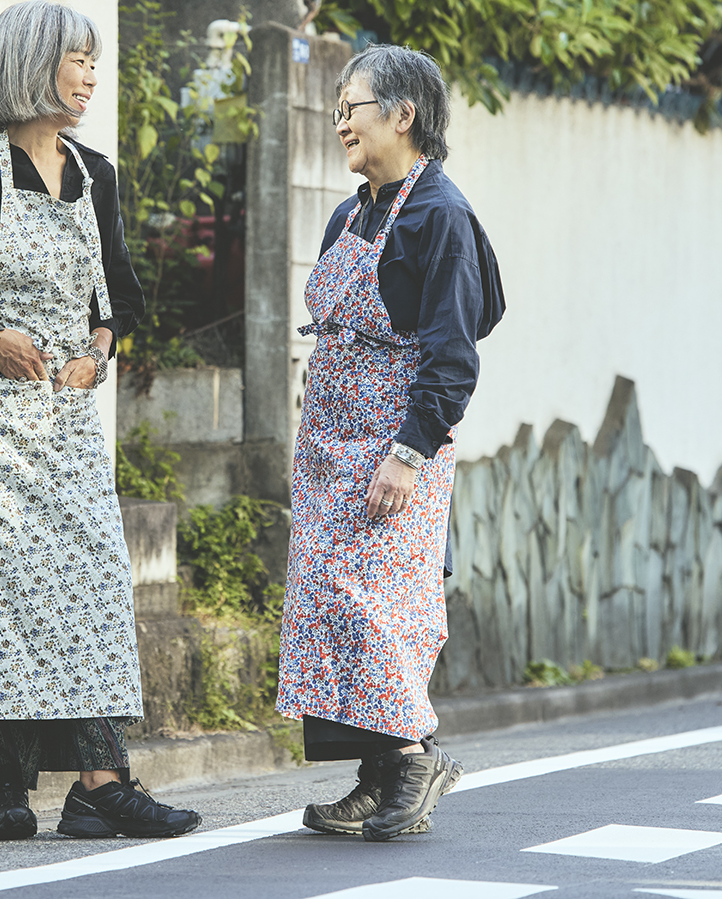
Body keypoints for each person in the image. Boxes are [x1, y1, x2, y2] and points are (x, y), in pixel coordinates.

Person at [0, 0, 201, 842]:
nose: (91, 76)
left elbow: (118, 298)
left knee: (87, 588)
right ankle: (3, 791)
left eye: (93, 61)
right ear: (30, 65)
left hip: (60, 423)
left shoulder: (97, 176)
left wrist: (100, 346)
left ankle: (100, 785)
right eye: (76, 60)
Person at [276, 43, 505, 842]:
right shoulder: (352, 211)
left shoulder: (439, 215)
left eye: (353, 108)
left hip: (394, 453)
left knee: (379, 607)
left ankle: (413, 758)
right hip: (330, 451)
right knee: (327, 606)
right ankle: (373, 777)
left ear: (402, 116)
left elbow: (452, 355)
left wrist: (408, 453)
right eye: (336, 109)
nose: (340, 123)